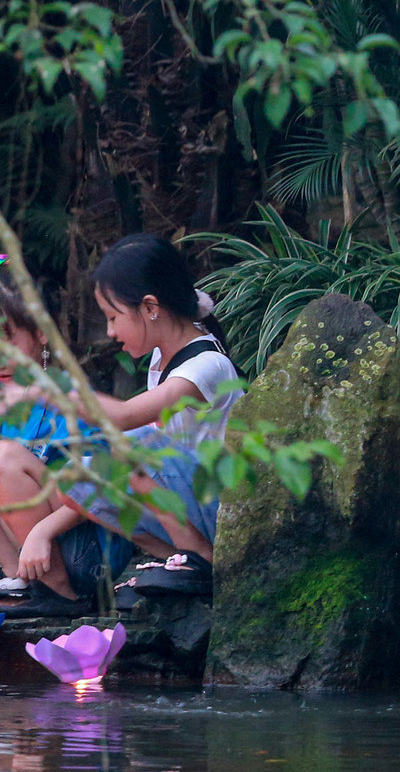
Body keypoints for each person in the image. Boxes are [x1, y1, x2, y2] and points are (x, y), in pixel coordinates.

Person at [0, 234, 244, 614]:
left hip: (224, 511)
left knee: (125, 445)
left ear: (150, 308)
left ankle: (201, 558)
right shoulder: (162, 360)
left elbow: (127, 419)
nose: (110, 332)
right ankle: (176, 557)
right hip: (189, 499)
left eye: (113, 317)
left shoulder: (206, 367)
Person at [0, 283, 135, 609]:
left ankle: (59, 592)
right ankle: (14, 583)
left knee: (3, 457)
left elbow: (105, 484)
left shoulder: (70, 399)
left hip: (85, 552)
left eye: (8, 339)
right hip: (25, 556)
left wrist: (42, 532)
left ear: (41, 333)